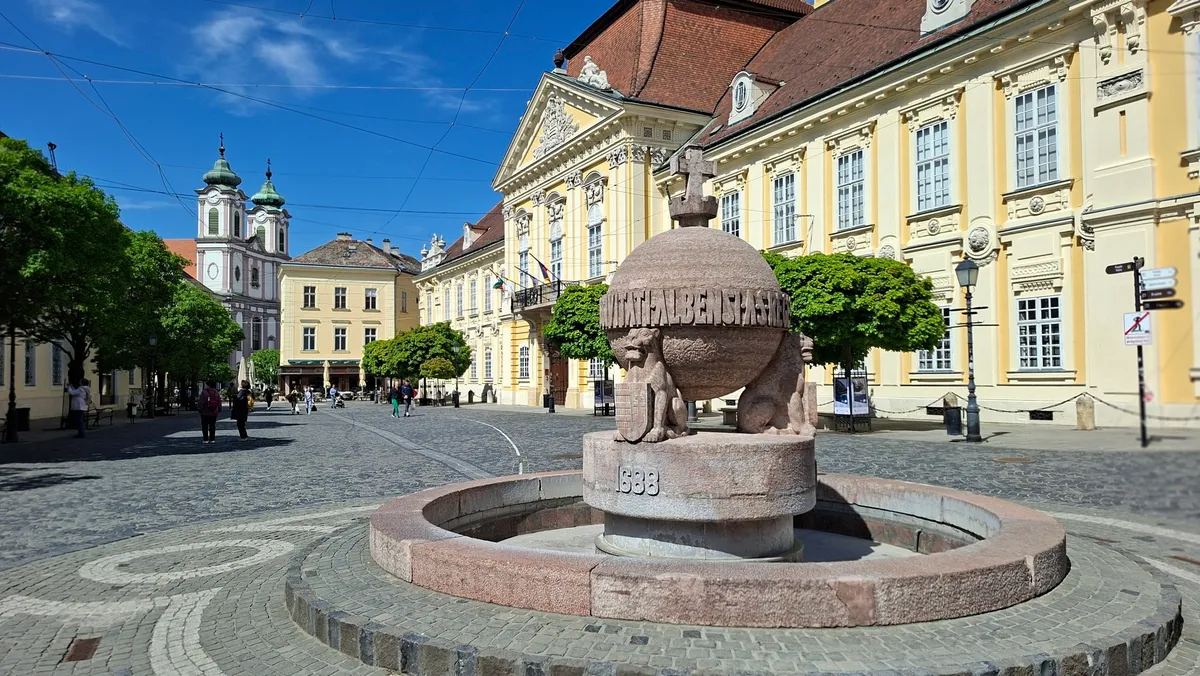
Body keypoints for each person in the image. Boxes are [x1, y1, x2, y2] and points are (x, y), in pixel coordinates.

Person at [198, 379, 221, 444]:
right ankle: (212, 439)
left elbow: (201, 402)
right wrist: (219, 409)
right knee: (212, 426)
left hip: (205, 412)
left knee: (204, 426)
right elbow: (219, 402)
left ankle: (205, 439)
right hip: (214, 412)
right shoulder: (216, 392)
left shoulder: (204, 392)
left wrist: (200, 409)